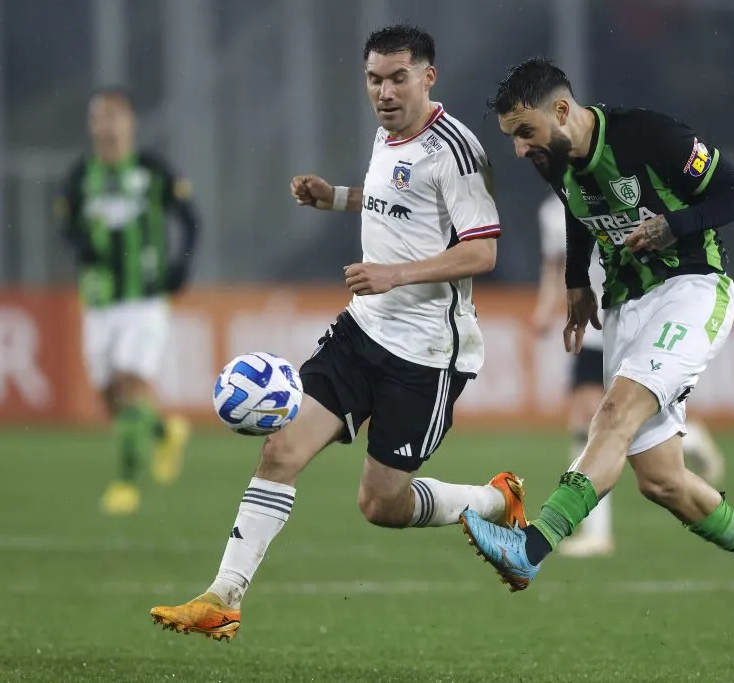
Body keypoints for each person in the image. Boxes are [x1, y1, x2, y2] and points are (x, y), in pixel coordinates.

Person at [149, 24, 524, 642]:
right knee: (281, 450)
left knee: (380, 505)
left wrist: (394, 274)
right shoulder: (389, 134)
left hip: (427, 356)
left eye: (398, 77)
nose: (384, 91)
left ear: (428, 77)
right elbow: (395, 202)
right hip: (362, 332)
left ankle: (492, 501)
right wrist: (336, 198)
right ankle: (224, 596)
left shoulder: (457, 151)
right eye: (374, 79)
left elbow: (482, 252)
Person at [459, 58, 734, 642]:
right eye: (512, 137)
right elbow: (574, 209)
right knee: (661, 481)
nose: (519, 149)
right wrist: (575, 284)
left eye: (525, 132)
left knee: (609, 413)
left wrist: (675, 225)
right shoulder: (554, 157)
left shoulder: (649, 134)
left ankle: (529, 548)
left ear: (562, 111)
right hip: (623, 307)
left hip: (691, 289)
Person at [532, 193, 727, 557]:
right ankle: (598, 531)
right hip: (592, 324)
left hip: (630, 315)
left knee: (611, 424)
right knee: (591, 420)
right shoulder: (551, 213)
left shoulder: (622, 190)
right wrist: (545, 308)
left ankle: (596, 530)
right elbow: (555, 265)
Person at [55, 86, 198, 516]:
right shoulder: (81, 174)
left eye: (115, 116)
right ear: (91, 125)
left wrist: (182, 265)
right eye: (100, 117)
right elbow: (65, 223)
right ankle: (165, 430)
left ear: (130, 122)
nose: (107, 125)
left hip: (145, 299)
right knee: (110, 395)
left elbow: (190, 219)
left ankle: (126, 483)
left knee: (132, 384)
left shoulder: (152, 170)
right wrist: (80, 243)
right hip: (98, 300)